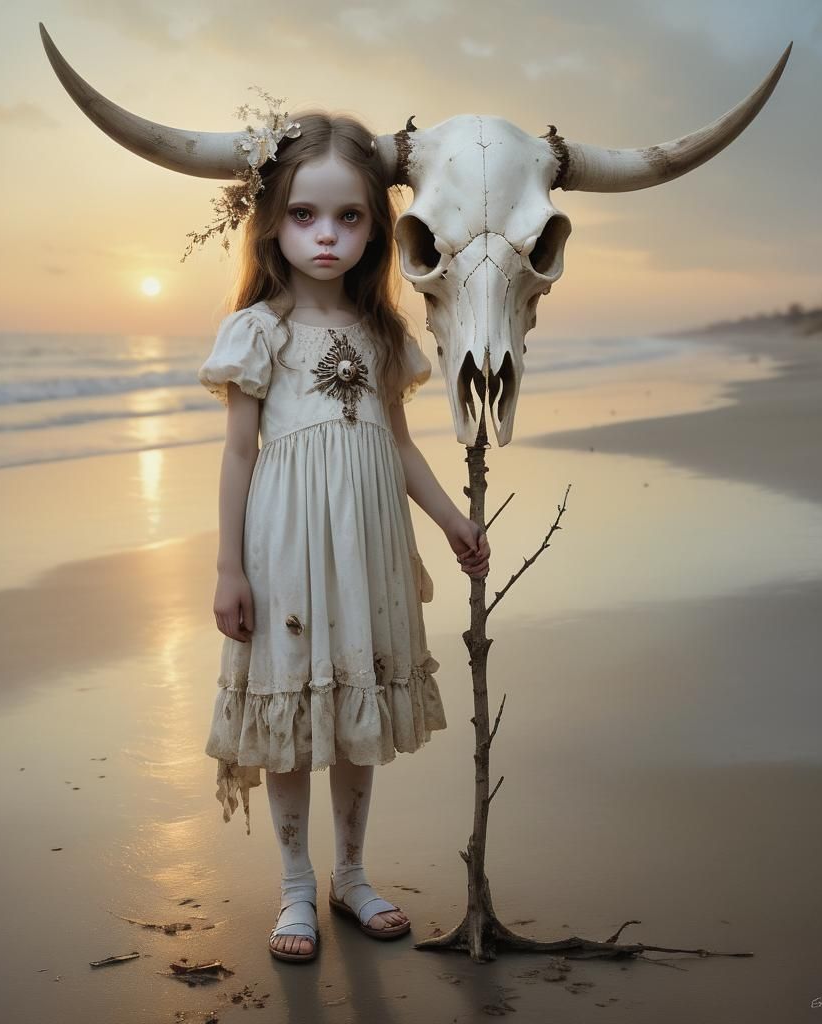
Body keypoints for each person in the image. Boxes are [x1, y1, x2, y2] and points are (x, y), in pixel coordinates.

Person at [198, 109, 491, 964]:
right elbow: (238, 453)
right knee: (292, 707)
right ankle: (295, 887)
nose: (326, 235)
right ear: (272, 222)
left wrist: (451, 522)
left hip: (366, 547)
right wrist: (228, 570)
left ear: (376, 225)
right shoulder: (260, 330)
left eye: (349, 217)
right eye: (303, 215)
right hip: (283, 549)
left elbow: (399, 447)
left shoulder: (381, 336)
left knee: (354, 703)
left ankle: (352, 875)